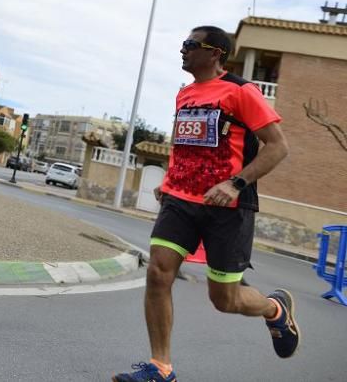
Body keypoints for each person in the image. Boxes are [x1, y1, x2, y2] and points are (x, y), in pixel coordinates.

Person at [113, 26, 299, 382]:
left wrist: (235, 183)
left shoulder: (242, 92)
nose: (182, 50)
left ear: (215, 53)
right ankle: (160, 368)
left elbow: (278, 146)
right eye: (183, 44)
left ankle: (275, 309)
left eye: (190, 45)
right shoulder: (184, 95)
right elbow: (185, 144)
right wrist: (168, 181)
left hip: (228, 207)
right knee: (157, 272)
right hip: (180, 201)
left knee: (225, 300)